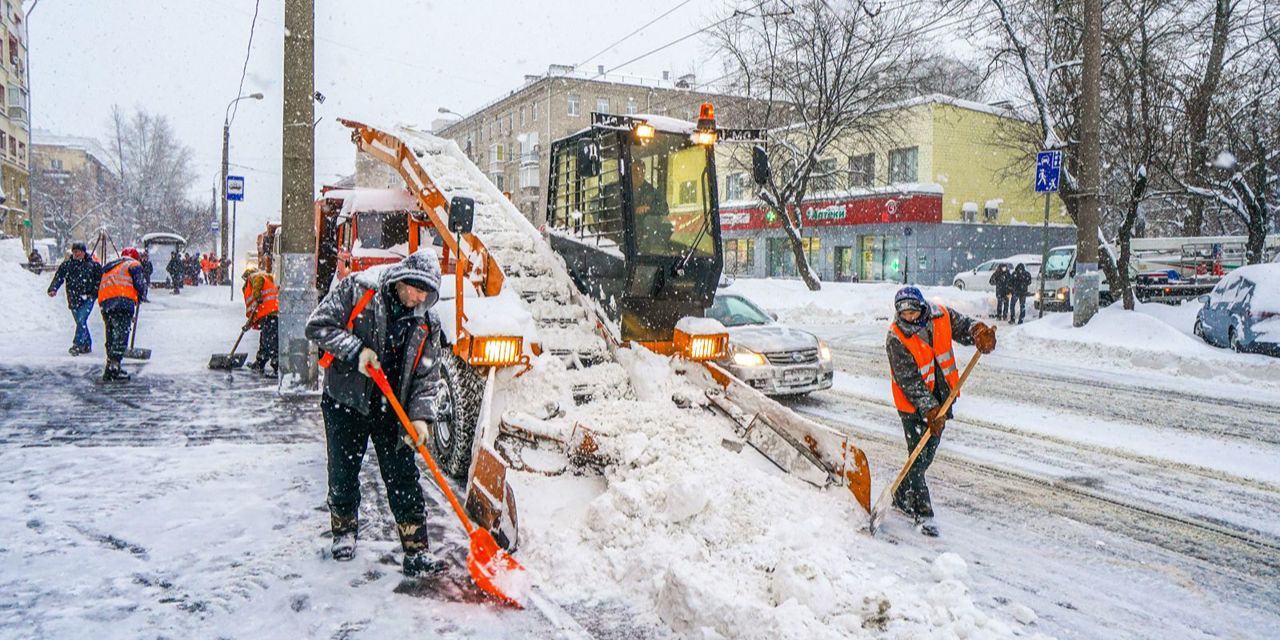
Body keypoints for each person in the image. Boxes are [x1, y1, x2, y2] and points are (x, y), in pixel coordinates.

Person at [304, 249, 445, 576]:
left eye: (426, 293)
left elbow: (427, 375)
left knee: (403, 477)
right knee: (343, 471)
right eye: (414, 289)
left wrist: (421, 418)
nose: (418, 297)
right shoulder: (359, 289)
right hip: (346, 400)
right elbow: (318, 326)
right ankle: (344, 531)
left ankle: (416, 549)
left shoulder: (427, 322)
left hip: (392, 409)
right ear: (401, 280)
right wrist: (356, 352)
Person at [886, 286, 996, 537]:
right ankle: (923, 513)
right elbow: (910, 382)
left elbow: (964, 326)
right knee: (919, 456)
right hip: (913, 406)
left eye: (913, 311)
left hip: (942, 397)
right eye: (904, 313)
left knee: (926, 453)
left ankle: (902, 496)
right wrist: (929, 409)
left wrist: (978, 331)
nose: (910, 317)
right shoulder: (896, 338)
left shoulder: (940, 315)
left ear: (921, 307)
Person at [98, 247, 149, 381]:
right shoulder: (133, 264)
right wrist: (142, 294)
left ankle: (110, 364)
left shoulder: (111, 266)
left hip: (106, 302)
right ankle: (114, 367)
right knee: (121, 334)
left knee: (111, 333)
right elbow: (139, 283)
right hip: (122, 302)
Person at [47, 242, 102, 356]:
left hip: (88, 298)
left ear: (83, 252)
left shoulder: (93, 265)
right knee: (80, 322)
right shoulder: (67, 266)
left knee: (81, 320)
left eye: (79, 251)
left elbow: (99, 280)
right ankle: (87, 344)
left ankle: (77, 345)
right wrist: (53, 288)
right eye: (75, 251)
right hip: (73, 298)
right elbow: (59, 278)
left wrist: (94, 293)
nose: (76, 254)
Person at [242, 267, 280, 375]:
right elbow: (254, 312)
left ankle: (276, 366)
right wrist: (248, 325)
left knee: (270, 341)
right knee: (265, 340)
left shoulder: (257, 277)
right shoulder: (267, 279)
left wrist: (257, 295)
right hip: (270, 314)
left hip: (269, 315)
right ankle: (260, 362)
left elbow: (258, 281)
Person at [631, 159, 671, 254]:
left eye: (642, 172)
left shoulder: (651, 191)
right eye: (635, 172)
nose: (639, 176)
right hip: (624, 240)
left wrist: (649, 209)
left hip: (646, 241)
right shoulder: (619, 190)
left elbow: (665, 209)